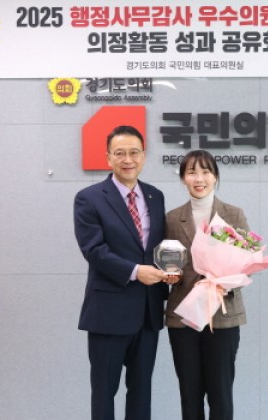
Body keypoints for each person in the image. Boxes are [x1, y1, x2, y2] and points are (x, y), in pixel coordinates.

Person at [74, 125, 172, 420]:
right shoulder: (89, 198)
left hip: (148, 312)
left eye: (134, 152)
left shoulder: (155, 196)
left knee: (141, 391)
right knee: (104, 392)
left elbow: (158, 247)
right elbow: (94, 250)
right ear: (108, 158)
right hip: (108, 313)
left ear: (143, 156)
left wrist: (170, 270)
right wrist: (135, 271)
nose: (128, 159)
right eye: (120, 153)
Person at [165, 150, 248, 420]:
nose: (199, 178)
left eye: (205, 172)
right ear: (183, 179)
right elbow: (166, 261)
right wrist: (168, 275)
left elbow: (246, 263)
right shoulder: (171, 218)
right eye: (191, 172)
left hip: (222, 316)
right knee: (190, 395)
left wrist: (225, 282)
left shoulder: (233, 214)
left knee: (220, 394)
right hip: (184, 317)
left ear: (215, 176)